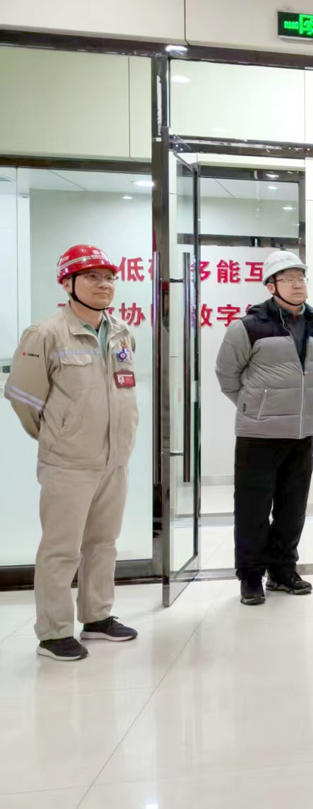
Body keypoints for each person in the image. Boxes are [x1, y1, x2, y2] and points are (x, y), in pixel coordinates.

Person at [5, 245, 140, 661]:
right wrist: (57, 437)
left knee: (103, 542)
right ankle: (53, 632)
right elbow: (22, 396)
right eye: (92, 277)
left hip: (114, 459)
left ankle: (97, 617)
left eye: (109, 277)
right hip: (68, 462)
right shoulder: (46, 333)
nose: (104, 284)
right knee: (61, 548)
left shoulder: (120, 331)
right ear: (68, 283)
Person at [215, 250, 313, 606]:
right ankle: (250, 576)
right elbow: (226, 374)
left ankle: (282, 571)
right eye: (288, 278)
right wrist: (255, 407)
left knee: (292, 508)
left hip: (302, 432)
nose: (297, 284)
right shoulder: (247, 327)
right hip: (258, 434)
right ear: (271, 286)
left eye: (301, 277)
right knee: (253, 509)